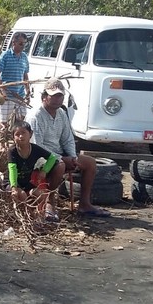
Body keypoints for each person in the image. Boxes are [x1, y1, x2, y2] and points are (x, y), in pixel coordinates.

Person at [27, 78, 111, 217]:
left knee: (89, 162)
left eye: (60, 95)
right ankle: (49, 202)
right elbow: (37, 146)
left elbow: (67, 138)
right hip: (39, 158)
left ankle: (84, 204)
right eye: (53, 96)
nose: (57, 99)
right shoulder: (36, 116)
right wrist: (62, 158)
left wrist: (72, 157)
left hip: (59, 154)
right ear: (44, 97)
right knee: (59, 165)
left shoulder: (61, 113)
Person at [8, 120, 64, 222]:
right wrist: (14, 187)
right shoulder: (12, 151)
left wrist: (44, 171)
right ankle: (27, 218)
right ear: (13, 137)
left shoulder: (35, 149)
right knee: (22, 195)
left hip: (28, 183)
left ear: (31, 134)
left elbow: (52, 158)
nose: (21, 136)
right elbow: (12, 169)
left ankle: (40, 214)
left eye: (24, 133)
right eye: (17, 134)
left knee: (41, 194)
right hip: (14, 183)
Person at [0, 32, 30, 126]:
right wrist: (2, 90)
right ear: (14, 42)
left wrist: (28, 91)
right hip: (7, 94)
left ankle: (14, 137)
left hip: (20, 94)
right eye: (21, 43)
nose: (23, 46)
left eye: (25, 44)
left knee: (21, 119)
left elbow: (25, 75)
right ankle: (2, 139)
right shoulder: (5, 55)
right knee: (3, 122)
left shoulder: (24, 57)